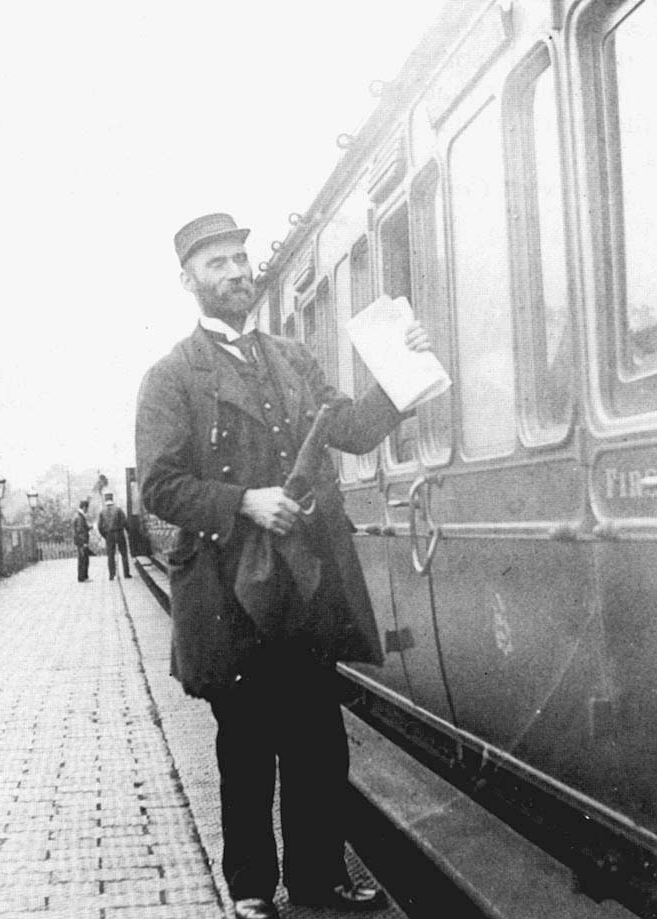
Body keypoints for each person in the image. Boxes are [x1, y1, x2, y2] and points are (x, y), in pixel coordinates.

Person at [135, 213, 434, 919]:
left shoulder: (293, 359)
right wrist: (244, 501)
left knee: (318, 742)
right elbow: (160, 484)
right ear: (189, 281)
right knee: (246, 745)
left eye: (241, 259)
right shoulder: (171, 376)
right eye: (218, 264)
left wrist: (401, 371)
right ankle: (249, 889)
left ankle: (319, 878)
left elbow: (354, 430)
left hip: (302, 581)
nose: (236, 272)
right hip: (225, 587)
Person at [97, 493, 132, 580]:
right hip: (119, 533)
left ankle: (111, 575)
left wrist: (105, 535)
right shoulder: (118, 510)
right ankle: (126, 574)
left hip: (109, 535)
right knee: (124, 553)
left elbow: (99, 526)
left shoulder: (102, 512)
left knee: (110, 555)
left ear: (106, 500)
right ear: (112, 499)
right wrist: (128, 531)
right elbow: (125, 521)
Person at [73, 498, 91, 582]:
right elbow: (80, 531)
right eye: (87, 508)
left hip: (80, 541)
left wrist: (88, 527)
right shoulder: (80, 517)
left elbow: (82, 529)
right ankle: (82, 577)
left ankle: (83, 577)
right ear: (84, 507)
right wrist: (84, 542)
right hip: (81, 542)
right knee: (83, 559)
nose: (87, 510)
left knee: (83, 558)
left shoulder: (79, 516)